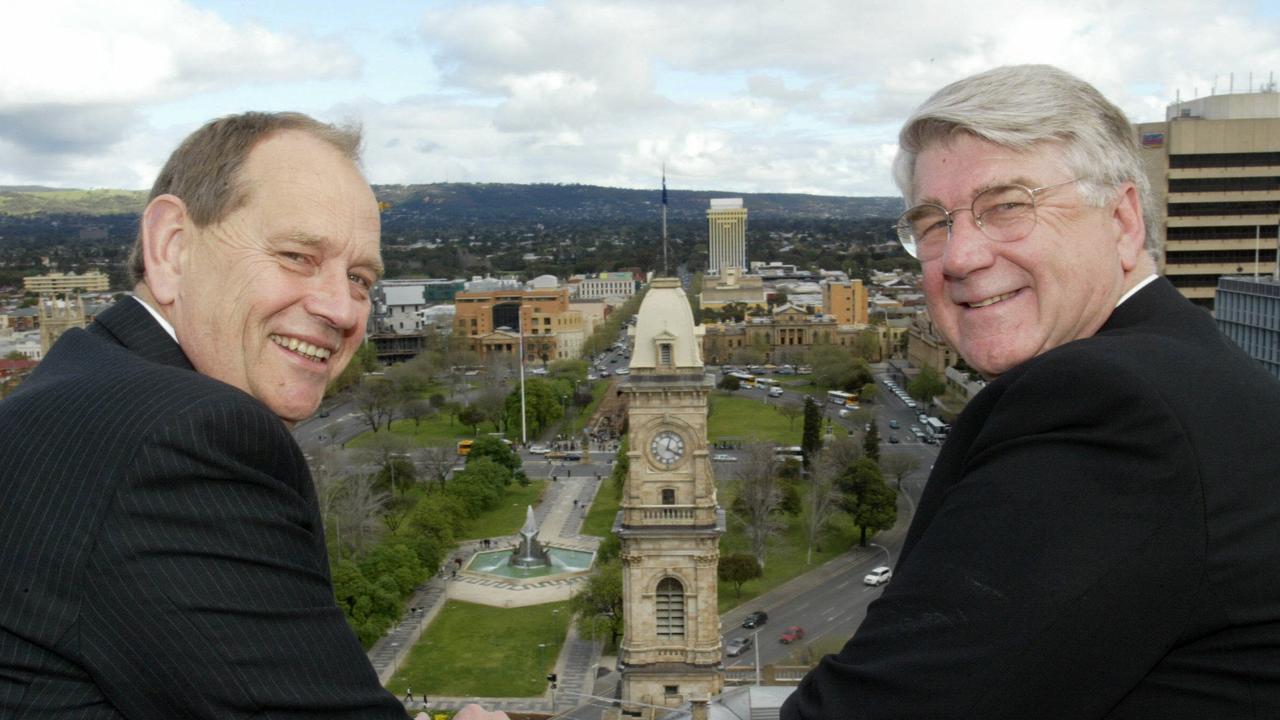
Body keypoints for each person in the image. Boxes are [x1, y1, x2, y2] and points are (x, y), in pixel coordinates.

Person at [783, 65, 1280, 719]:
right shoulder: (1197, 370)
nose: (959, 256)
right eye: (933, 224)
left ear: (1124, 219)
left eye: (1007, 207)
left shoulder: (1106, 408)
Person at [0, 112, 404, 717]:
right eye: (296, 255)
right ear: (171, 247)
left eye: (360, 279)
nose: (341, 310)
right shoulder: (187, 439)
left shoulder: (76, 386)